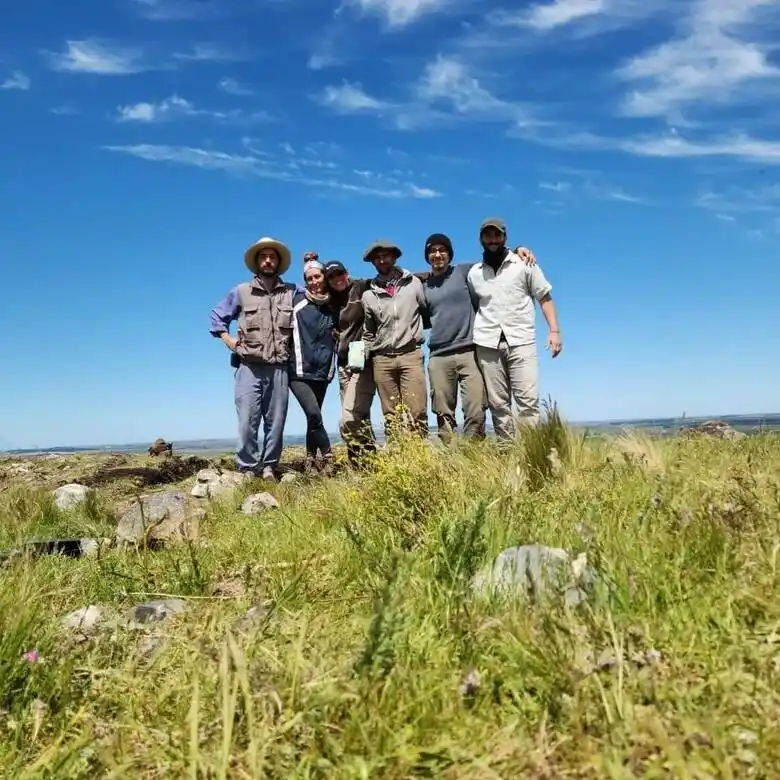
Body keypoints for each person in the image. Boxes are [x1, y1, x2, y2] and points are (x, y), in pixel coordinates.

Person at [422, 233, 537, 442]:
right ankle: (450, 462)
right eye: (432, 251)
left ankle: (473, 458)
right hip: (439, 356)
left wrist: (519, 249)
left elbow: (496, 259)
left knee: (475, 412)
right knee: (443, 414)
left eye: (442, 250)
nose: (437, 255)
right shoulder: (423, 286)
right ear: (427, 256)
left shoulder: (465, 271)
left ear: (449, 254)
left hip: (469, 351)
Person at [209, 237, 296, 481]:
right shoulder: (241, 292)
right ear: (257, 262)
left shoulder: (291, 292)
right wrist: (230, 342)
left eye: (272, 257)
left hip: (279, 368)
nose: (268, 260)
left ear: (278, 262)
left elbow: (318, 292)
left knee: (276, 422)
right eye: (263, 257)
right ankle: (247, 468)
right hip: (249, 367)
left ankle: (269, 467)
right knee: (248, 421)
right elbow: (216, 318)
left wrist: (314, 264)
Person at [467, 218, 562, 440]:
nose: (492, 240)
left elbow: (544, 297)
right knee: (498, 404)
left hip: (521, 341)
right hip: (487, 343)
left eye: (496, 235)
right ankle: (506, 451)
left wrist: (554, 331)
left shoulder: (524, 264)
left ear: (504, 238)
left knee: (527, 402)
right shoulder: (474, 273)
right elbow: (476, 304)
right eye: (487, 236)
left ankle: (531, 451)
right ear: (481, 239)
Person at [361, 240, 428, 438]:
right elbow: (369, 331)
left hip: (411, 355)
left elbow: (425, 310)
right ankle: (398, 456)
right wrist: (361, 357)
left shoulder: (414, 283)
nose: (382, 260)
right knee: (391, 415)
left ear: (394, 257)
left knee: (417, 411)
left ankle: (420, 458)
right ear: (373, 262)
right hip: (382, 360)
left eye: (385, 255)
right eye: (377, 257)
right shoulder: (368, 295)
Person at [325, 260, 378, 466]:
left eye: (339, 274)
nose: (336, 279)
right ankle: (360, 463)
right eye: (331, 276)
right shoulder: (330, 300)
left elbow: (388, 280)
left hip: (361, 360)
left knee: (350, 417)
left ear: (347, 273)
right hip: (343, 363)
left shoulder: (361, 287)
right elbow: (310, 288)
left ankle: (368, 461)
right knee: (358, 415)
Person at [289, 255, 339, 476]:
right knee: (313, 413)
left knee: (313, 417)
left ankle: (310, 460)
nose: (314, 282)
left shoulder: (334, 305)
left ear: (325, 277)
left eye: (317, 276)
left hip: (323, 371)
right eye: (309, 278)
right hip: (297, 371)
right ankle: (328, 456)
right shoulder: (296, 302)